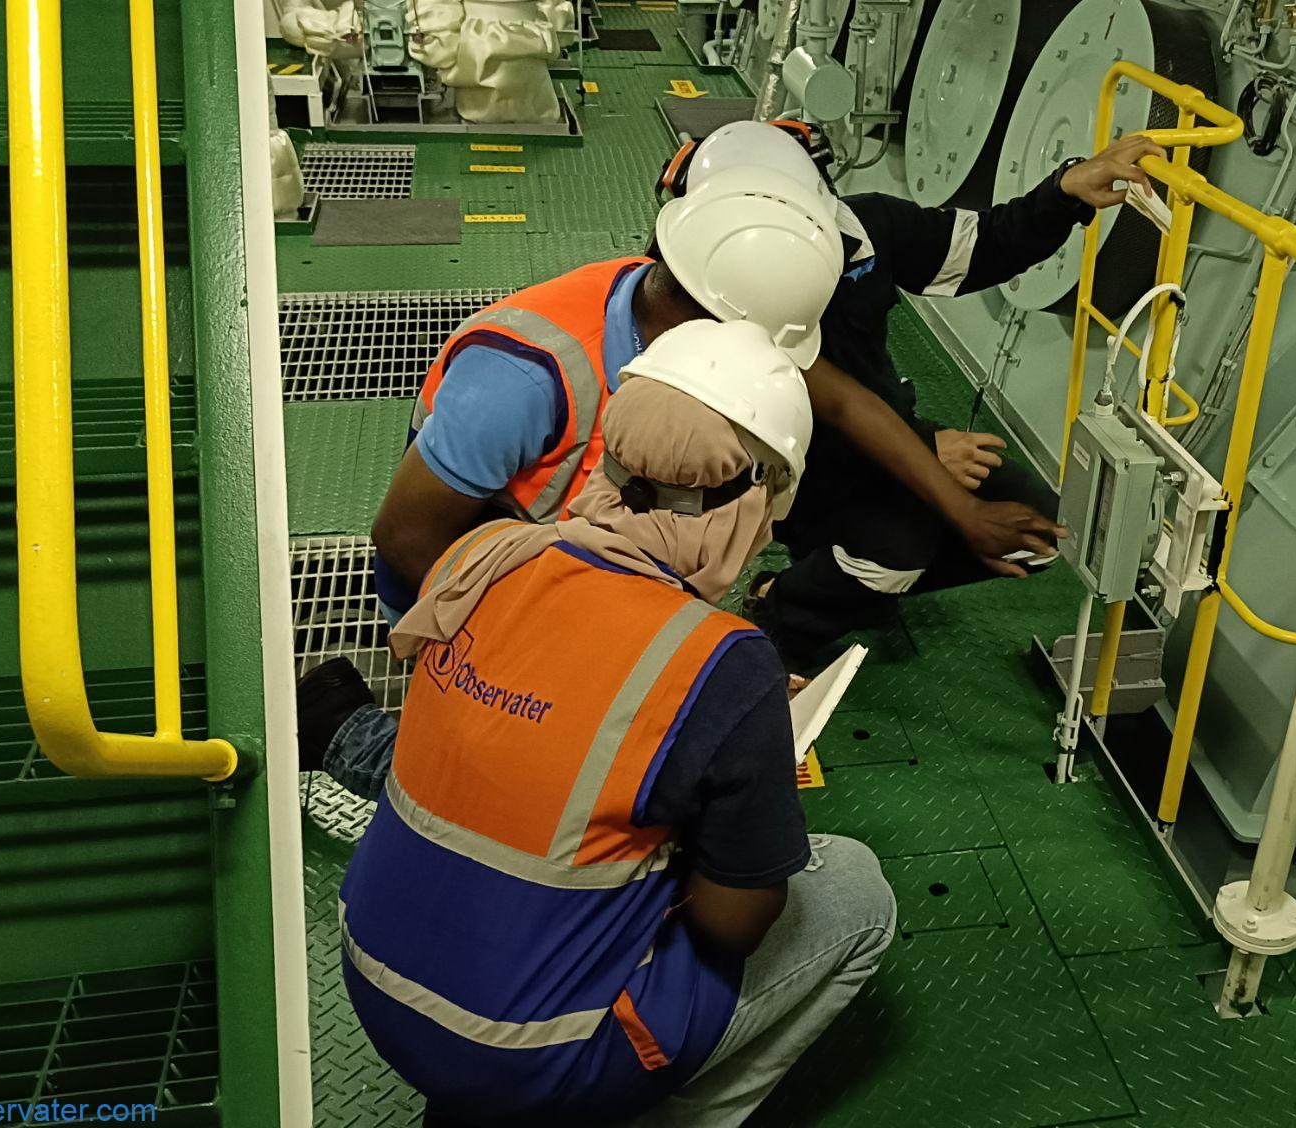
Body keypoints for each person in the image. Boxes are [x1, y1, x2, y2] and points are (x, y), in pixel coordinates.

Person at [297, 157, 1066, 766]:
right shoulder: (527, 378)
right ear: (721, 312)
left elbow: (842, 403)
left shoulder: (688, 315)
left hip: (585, 558)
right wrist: (521, 660)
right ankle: (352, 734)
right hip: (473, 584)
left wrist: (960, 509)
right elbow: (406, 538)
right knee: (520, 756)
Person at [336, 320, 896, 1127]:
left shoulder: (485, 555)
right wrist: (748, 745)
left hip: (374, 976)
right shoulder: (724, 662)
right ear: (758, 501)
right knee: (853, 889)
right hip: (526, 1054)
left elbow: (559, 713)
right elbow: (733, 924)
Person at [660, 119, 1169, 668]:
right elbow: (807, 407)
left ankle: (850, 579)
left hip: (883, 440)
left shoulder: (868, 226)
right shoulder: (701, 277)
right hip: (781, 462)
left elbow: (982, 246)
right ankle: (784, 615)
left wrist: (1063, 192)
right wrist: (927, 451)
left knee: (1038, 529)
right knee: (896, 549)